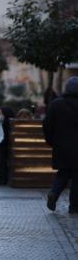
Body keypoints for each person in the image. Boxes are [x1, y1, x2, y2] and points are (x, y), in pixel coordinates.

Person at [43, 77, 78, 214]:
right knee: (77, 177)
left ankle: (54, 193)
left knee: (63, 173)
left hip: (61, 146)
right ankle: (74, 207)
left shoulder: (56, 104)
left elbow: (47, 126)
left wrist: (52, 141)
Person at [0, 106, 15, 185]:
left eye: (0, 113)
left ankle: (1, 179)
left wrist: (0, 145)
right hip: (10, 145)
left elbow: (7, 137)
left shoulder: (6, 122)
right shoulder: (9, 121)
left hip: (9, 146)